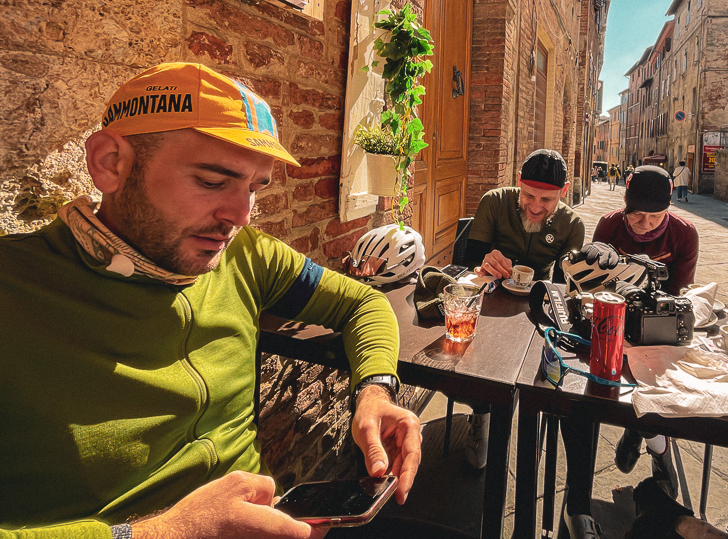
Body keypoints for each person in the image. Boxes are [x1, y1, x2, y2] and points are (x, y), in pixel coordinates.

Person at [0, 63, 422, 539]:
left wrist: (375, 391)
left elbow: (362, 303)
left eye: (254, 189)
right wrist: (165, 532)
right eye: (211, 181)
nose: (239, 215)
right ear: (109, 163)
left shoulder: (246, 256)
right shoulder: (14, 288)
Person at [461, 149, 586, 472]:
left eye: (547, 201)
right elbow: (468, 263)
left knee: (542, 365)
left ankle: (530, 419)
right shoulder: (494, 201)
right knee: (477, 355)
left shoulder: (573, 224)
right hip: (491, 296)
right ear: (518, 183)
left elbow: (563, 290)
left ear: (564, 190)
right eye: (528, 195)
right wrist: (484, 262)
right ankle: (481, 413)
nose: (535, 207)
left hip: (537, 305)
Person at [589, 166, 699, 512]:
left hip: (658, 323)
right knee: (609, 380)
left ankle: (656, 448)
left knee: (655, 379)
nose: (645, 224)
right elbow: (592, 280)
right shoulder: (609, 225)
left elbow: (681, 292)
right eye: (637, 215)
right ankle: (645, 435)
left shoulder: (684, 234)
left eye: (655, 216)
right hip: (613, 316)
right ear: (625, 207)